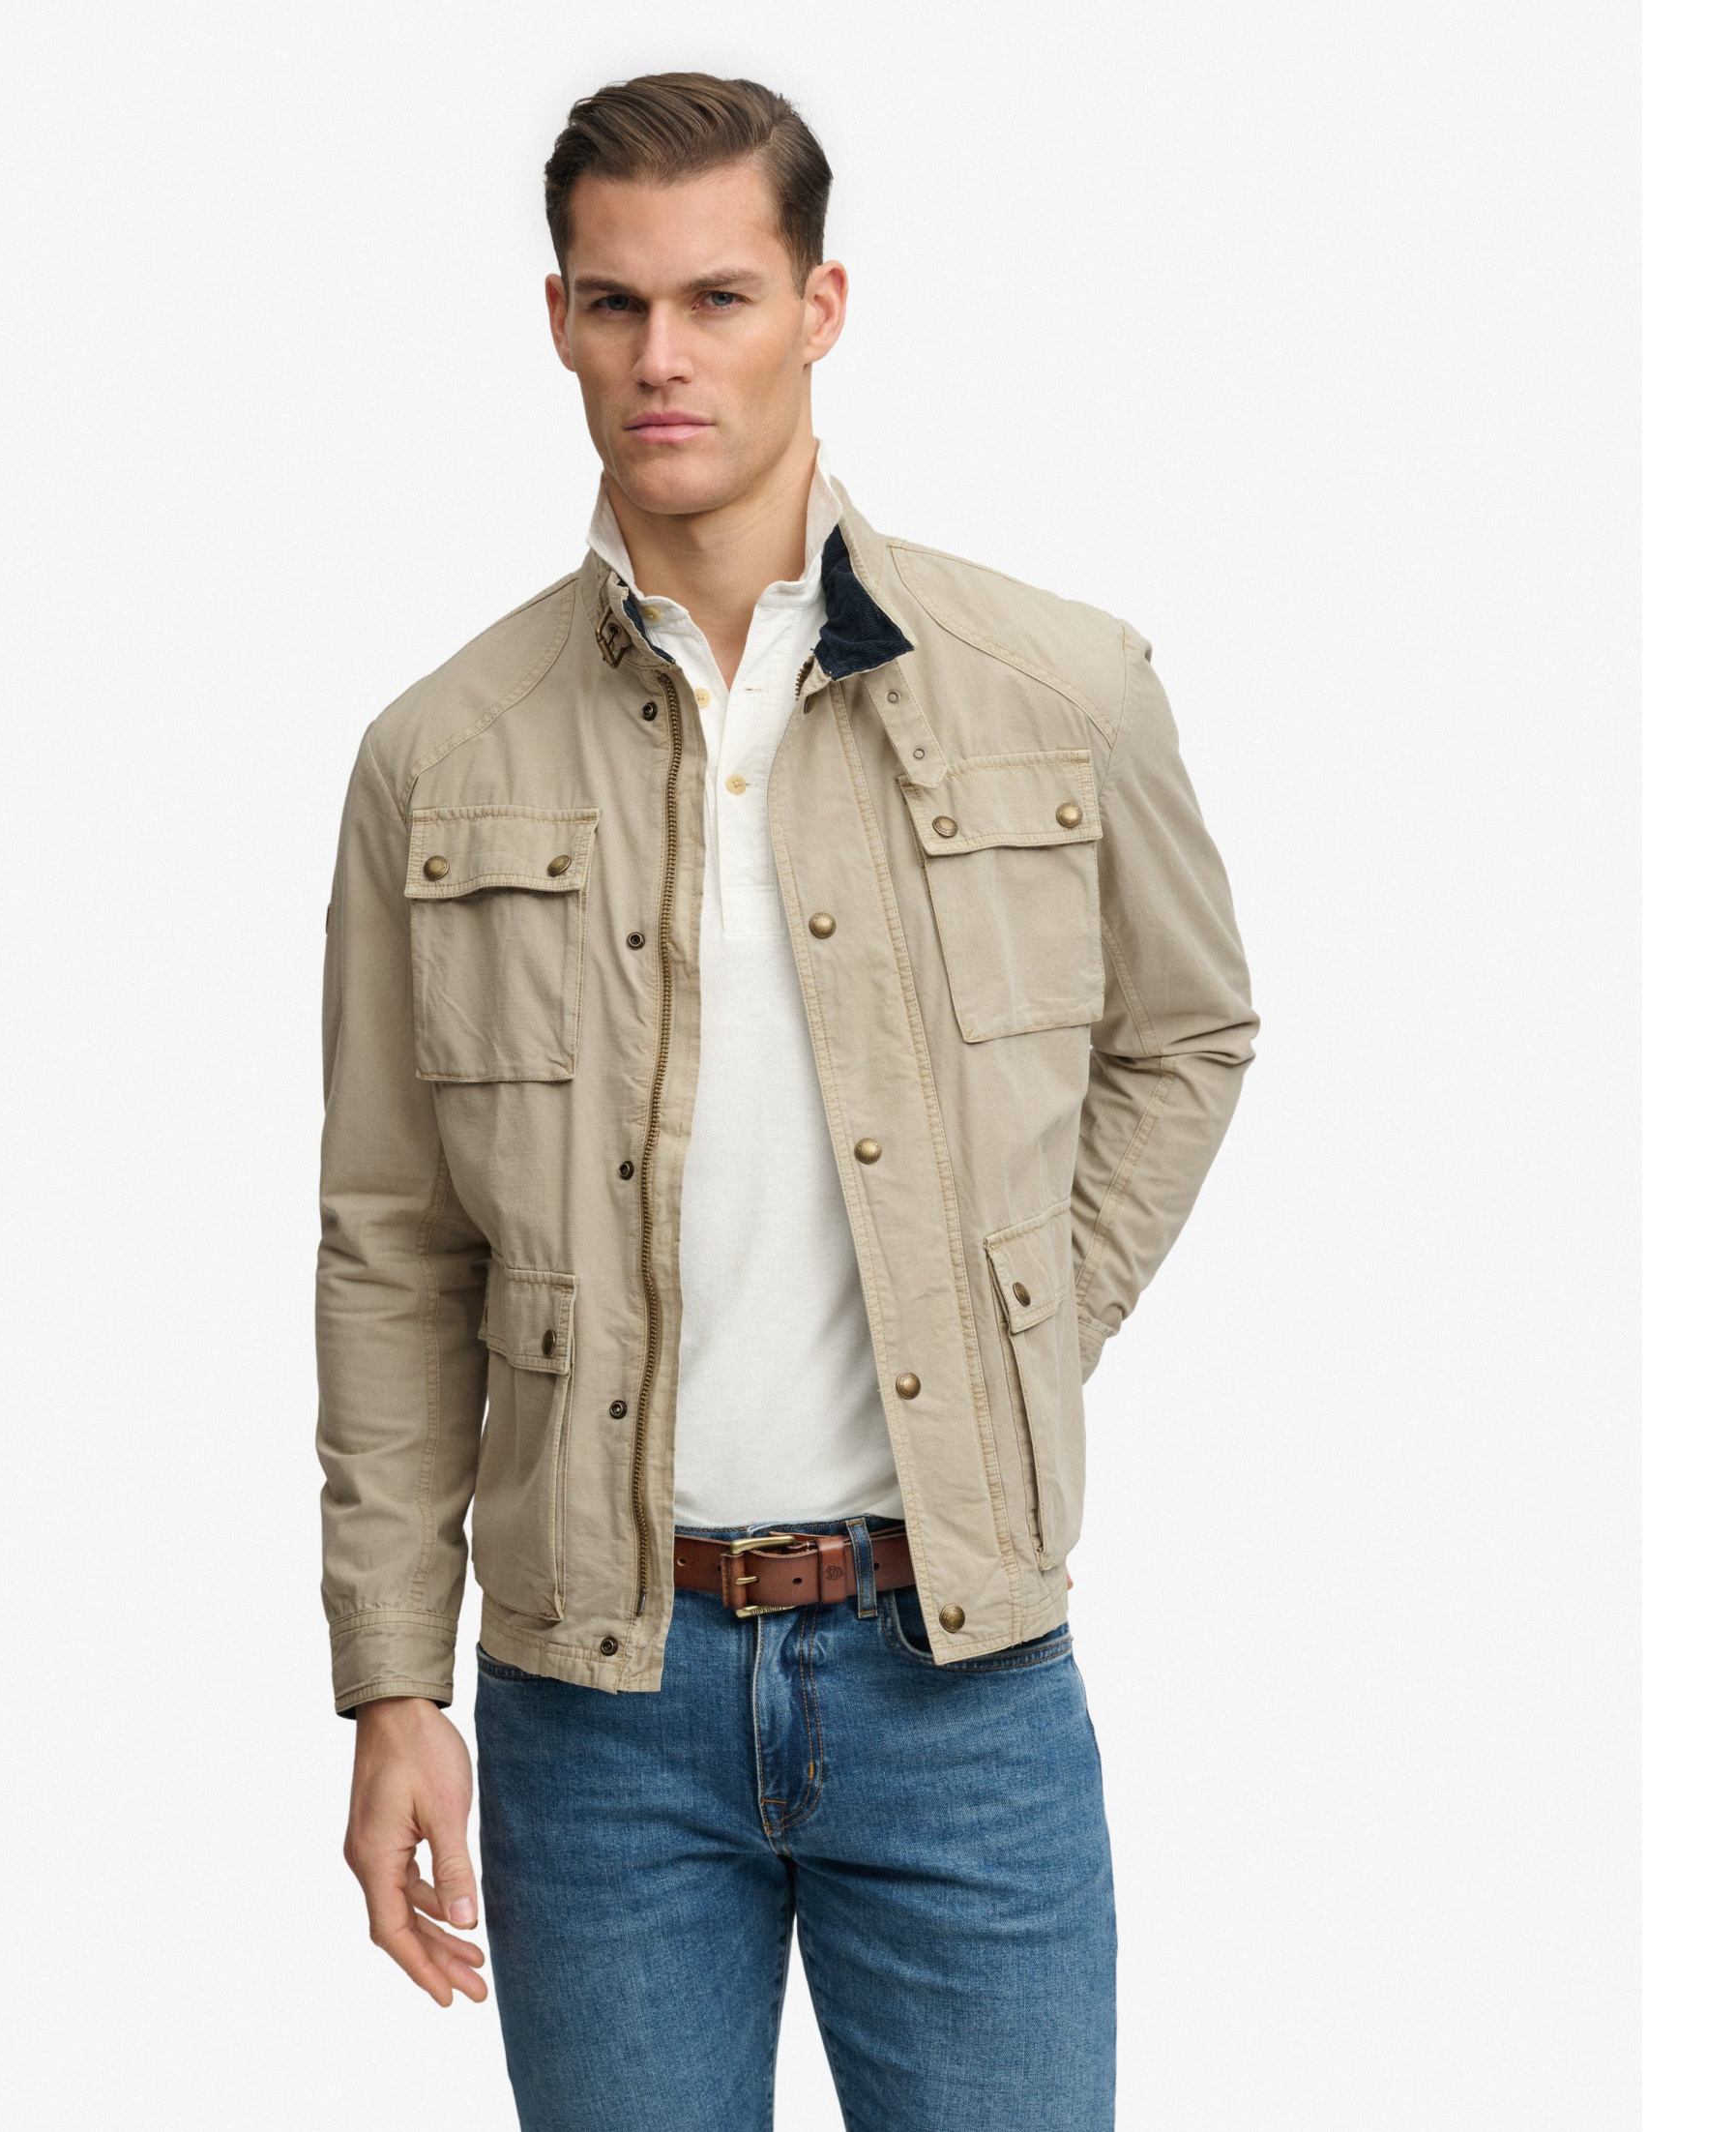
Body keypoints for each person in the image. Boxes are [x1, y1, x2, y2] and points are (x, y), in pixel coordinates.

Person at [319, 71, 1255, 2132]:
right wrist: (393, 1677)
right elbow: (390, 1239)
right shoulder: (440, 756)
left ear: (820, 306)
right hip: (593, 1705)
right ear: (558, 321)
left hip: (962, 1681)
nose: (663, 355)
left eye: (719, 298)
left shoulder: (1060, 687)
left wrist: (1017, 1321)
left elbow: (1187, 1032)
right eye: (615, 302)